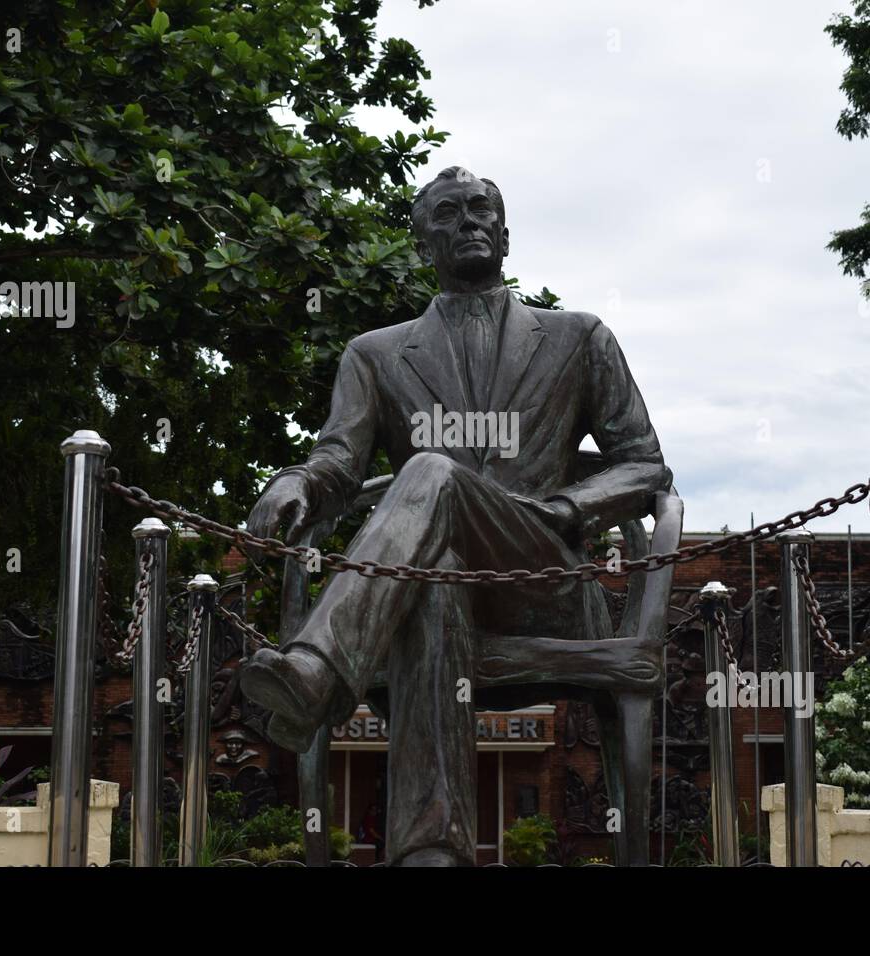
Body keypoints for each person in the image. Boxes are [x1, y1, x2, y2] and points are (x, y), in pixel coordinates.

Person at [241, 167, 670, 866]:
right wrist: (294, 482)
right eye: (446, 213)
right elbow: (337, 463)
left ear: (505, 234)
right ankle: (432, 850)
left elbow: (646, 466)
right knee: (433, 579)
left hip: (542, 577)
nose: (467, 221)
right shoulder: (374, 355)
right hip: (431, 591)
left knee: (431, 469)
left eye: (481, 210)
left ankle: (318, 665)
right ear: (421, 243)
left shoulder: (580, 337)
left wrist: (566, 508)